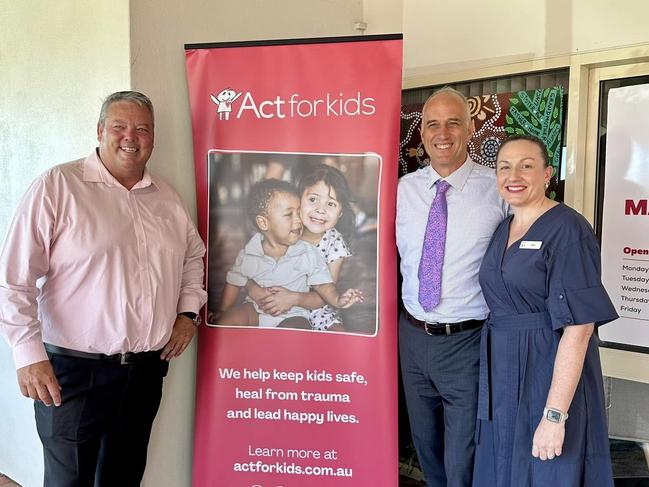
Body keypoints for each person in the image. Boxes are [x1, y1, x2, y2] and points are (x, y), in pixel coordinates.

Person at [0, 91, 207, 487]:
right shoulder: (59, 186)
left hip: (144, 372)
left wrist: (187, 313)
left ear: (153, 138)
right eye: (120, 126)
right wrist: (28, 355)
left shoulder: (166, 199)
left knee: (123, 477)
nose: (131, 137)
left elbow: (193, 258)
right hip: (72, 373)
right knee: (68, 481)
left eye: (142, 129)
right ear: (100, 131)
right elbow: (13, 278)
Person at [472, 135, 617, 487]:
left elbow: (580, 329)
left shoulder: (569, 229)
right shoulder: (502, 228)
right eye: (504, 167)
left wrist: (555, 415)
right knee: (503, 466)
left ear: (548, 173)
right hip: (502, 374)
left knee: (548, 467)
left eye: (526, 165)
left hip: (546, 370)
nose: (514, 175)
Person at [396, 87, 508, 486]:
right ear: (422, 132)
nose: (442, 133)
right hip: (410, 337)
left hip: (467, 342)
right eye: (432, 124)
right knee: (424, 447)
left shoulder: (497, 189)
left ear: (471, 127)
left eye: (453, 122)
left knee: (463, 456)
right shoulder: (402, 191)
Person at [218, 178, 362, 328]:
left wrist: (338, 299)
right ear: (263, 223)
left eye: (298, 213)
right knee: (227, 320)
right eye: (289, 215)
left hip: (294, 314)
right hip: (255, 311)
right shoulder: (249, 252)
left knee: (297, 327)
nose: (298, 220)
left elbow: (324, 287)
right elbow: (234, 281)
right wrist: (223, 310)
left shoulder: (308, 253)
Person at [297, 164, 355, 331]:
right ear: (298, 199)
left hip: (317, 308)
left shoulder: (335, 243)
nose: (320, 210)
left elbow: (325, 295)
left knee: (338, 336)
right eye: (313, 199)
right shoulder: (287, 229)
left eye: (331, 204)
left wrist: (293, 299)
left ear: (341, 212)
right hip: (278, 302)